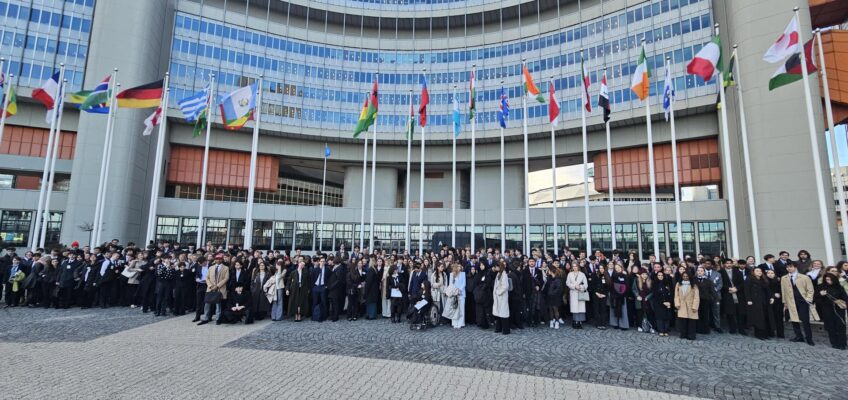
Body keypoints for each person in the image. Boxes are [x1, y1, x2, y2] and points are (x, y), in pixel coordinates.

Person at [781, 262, 816, 346]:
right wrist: (785, 302)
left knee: (805, 320)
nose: (789, 268)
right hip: (791, 302)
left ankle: (809, 338)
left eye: (790, 267)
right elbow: (783, 290)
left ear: (795, 267)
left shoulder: (804, 277)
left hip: (803, 301)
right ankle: (798, 336)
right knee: (794, 319)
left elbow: (810, 289)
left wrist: (808, 299)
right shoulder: (784, 278)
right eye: (787, 267)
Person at [814, 273, 848, 349]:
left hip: (838, 309)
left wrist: (842, 303)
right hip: (827, 309)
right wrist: (820, 294)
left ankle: (842, 343)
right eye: (826, 279)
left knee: (841, 326)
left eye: (830, 279)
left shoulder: (839, 287)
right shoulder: (821, 287)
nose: (828, 281)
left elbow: (845, 298)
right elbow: (816, 299)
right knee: (831, 327)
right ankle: (834, 343)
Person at [199, 256, 229, 325]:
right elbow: (207, 277)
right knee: (207, 304)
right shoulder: (211, 267)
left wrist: (217, 286)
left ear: (222, 260)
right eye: (216, 259)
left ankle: (218, 318)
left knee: (218, 304)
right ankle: (206, 318)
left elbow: (226, 278)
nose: (218, 260)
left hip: (220, 288)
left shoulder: (226, 268)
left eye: (219, 259)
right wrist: (210, 285)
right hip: (210, 288)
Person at [719, 258, 745, 335]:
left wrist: (736, 288)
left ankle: (741, 329)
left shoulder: (738, 272)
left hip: (738, 294)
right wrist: (728, 288)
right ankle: (732, 328)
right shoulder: (720, 272)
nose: (729, 264)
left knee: (740, 313)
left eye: (730, 263)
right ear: (724, 264)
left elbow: (742, 283)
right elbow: (720, 284)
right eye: (727, 263)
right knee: (730, 313)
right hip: (727, 294)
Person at [745, 267, 772, 340]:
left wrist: (771, 297)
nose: (759, 272)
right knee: (758, 318)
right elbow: (747, 290)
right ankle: (758, 334)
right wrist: (749, 300)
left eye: (760, 271)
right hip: (755, 301)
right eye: (757, 271)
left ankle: (765, 334)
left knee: (765, 317)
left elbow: (768, 290)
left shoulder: (763, 279)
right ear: (753, 272)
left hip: (764, 300)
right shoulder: (749, 279)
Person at [674, 271, 699, 340]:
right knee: (682, 321)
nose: (685, 277)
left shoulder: (694, 285)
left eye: (687, 276)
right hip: (682, 305)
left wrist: (695, 306)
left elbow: (696, 297)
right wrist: (677, 303)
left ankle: (691, 335)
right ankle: (683, 334)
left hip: (691, 305)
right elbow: (676, 295)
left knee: (692, 322)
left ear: (689, 277)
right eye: (684, 276)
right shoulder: (678, 284)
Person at [443, 263, 466, 328]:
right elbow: (451, 284)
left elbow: (464, 283)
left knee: (461, 309)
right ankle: (454, 323)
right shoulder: (451, 274)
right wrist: (455, 290)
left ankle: (461, 323)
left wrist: (459, 290)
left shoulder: (463, 274)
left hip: (461, 294)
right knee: (455, 309)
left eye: (460, 266)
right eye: (458, 266)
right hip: (454, 294)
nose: (460, 267)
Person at [566, 263, 588, 329]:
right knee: (575, 308)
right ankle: (575, 321)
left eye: (576, 266)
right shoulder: (570, 274)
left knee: (581, 308)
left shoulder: (582, 274)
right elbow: (567, 283)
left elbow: (586, 284)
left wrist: (580, 287)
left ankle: (580, 322)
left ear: (578, 267)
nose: (575, 268)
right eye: (573, 266)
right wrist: (574, 286)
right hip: (573, 292)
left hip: (580, 292)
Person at [651, 271, 673, 337]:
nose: (660, 276)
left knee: (666, 317)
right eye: (659, 275)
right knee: (659, 317)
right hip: (658, 303)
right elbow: (655, 295)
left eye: (661, 275)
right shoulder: (655, 284)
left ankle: (666, 330)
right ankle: (661, 330)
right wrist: (663, 303)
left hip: (667, 302)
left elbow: (670, 293)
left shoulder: (667, 283)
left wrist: (669, 302)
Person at [473, 260, 494, 330]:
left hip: (486, 294)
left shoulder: (487, 273)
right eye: (480, 265)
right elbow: (476, 283)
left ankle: (486, 323)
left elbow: (488, 282)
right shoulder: (478, 274)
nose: (481, 266)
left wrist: (483, 285)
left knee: (486, 309)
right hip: (479, 294)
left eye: (483, 265)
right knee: (479, 310)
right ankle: (480, 322)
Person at [609, 263, 629, 330]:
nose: (617, 269)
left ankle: (623, 325)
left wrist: (622, 292)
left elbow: (627, 285)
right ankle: (615, 324)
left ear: (621, 267)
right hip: (614, 295)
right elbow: (611, 285)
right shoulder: (613, 275)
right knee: (614, 310)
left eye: (618, 267)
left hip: (622, 295)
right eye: (616, 268)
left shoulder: (624, 275)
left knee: (623, 310)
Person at [632, 268, 653, 333]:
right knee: (639, 314)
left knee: (649, 314)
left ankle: (650, 327)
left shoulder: (650, 281)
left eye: (646, 274)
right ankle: (640, 326)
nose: (644, 275)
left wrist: (648, 297)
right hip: (639, 300)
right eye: (643, 274)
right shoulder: (636, 280)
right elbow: (634, 289)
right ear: (640, 275)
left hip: (647, 300)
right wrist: (637, 295)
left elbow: (652, 291)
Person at [492, 260, 510, 335]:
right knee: (498, 313)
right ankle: (499, 328)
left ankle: (506, 329)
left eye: (496, 266)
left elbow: (505, 286)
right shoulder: (499, 273)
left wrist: (498, 292)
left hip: (502, 296)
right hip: (498, 296)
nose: (495, 268)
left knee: (503, 313)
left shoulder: (504, 274)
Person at [589, 264, 609, 330]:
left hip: (604, 295)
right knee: (596, 309)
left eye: (602, 268)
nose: (601, 269)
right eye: (600, 268)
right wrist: (597, 293)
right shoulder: (595, 275)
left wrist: (604, 294)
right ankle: (598, 323)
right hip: (596, 295)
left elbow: (608, 287)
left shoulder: (607, 276)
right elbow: (592, 285)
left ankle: (603, 323)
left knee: (603, 309)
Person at [765, 269, 784, 339]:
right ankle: (770, 333)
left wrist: (780, 294)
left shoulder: (779, 281)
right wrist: (773, 294)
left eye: (772, 273)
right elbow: (765, 291)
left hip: (778, 302)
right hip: (769, 301)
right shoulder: (764, 282)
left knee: (779, 318)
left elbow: (783, 290)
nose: (770, 274)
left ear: (775, 274)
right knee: (770, 317)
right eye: (768, 273)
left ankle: (780, 334)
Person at [310, 257, 330, 322]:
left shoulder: (327, 270)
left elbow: (330, 278)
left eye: (324, 261)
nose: (322, 262)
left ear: (325, 262)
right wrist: (313, 287)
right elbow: (312, 278)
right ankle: (314, 316)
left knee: (324, 302)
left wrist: (327, 286)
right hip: (315, 287)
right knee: (314, 302)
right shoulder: (315, 269)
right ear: (319, 262)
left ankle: (324, 316)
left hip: (323, 287)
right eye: (321, 261)